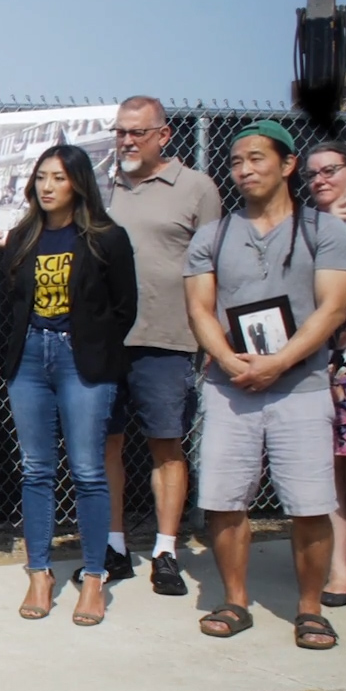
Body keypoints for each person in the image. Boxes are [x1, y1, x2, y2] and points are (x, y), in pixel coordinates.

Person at [187, 122, 346, 651]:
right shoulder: (212, 236)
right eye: (236, 161)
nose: (245, 169)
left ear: (286, 165)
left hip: (300, 388)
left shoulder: (324, 231)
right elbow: (199, 307)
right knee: (224, 500)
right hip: (231, 387)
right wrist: (229, 361)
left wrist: (279, 362)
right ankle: (235, 599)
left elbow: (331, 308)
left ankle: (310, 610)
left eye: (257, 158)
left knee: (309, 504)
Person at [0, 145, 137, 625]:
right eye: (41, 177)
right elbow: (5, 297)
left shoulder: (107, 238)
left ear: (79, 184)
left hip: (81, 360)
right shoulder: (24, 235)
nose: (47, 186)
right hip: (29, 358)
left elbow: (125, 308)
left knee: (88, 471)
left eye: (58, 178)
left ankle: (93, 578)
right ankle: (39, 573)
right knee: (35, 469)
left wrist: (92, 348)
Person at [97, 98, 222, 595]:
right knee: (106, 445)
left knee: (166, 446)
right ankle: (115, 545)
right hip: (105, 341)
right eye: (120, 132)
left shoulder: (197, 188)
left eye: (137, 132)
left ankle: (166, 550)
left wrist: (215, 332)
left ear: (164, 135)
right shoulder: (101, 186)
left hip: (168, 337)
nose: (126, 141)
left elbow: (216, 267)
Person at [309, 140, 346, 611]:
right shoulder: (307, 229)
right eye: (313, 174)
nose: (321, 180)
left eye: (331, 170)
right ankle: (338, 569)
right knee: (327, 473)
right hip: (315, 364)